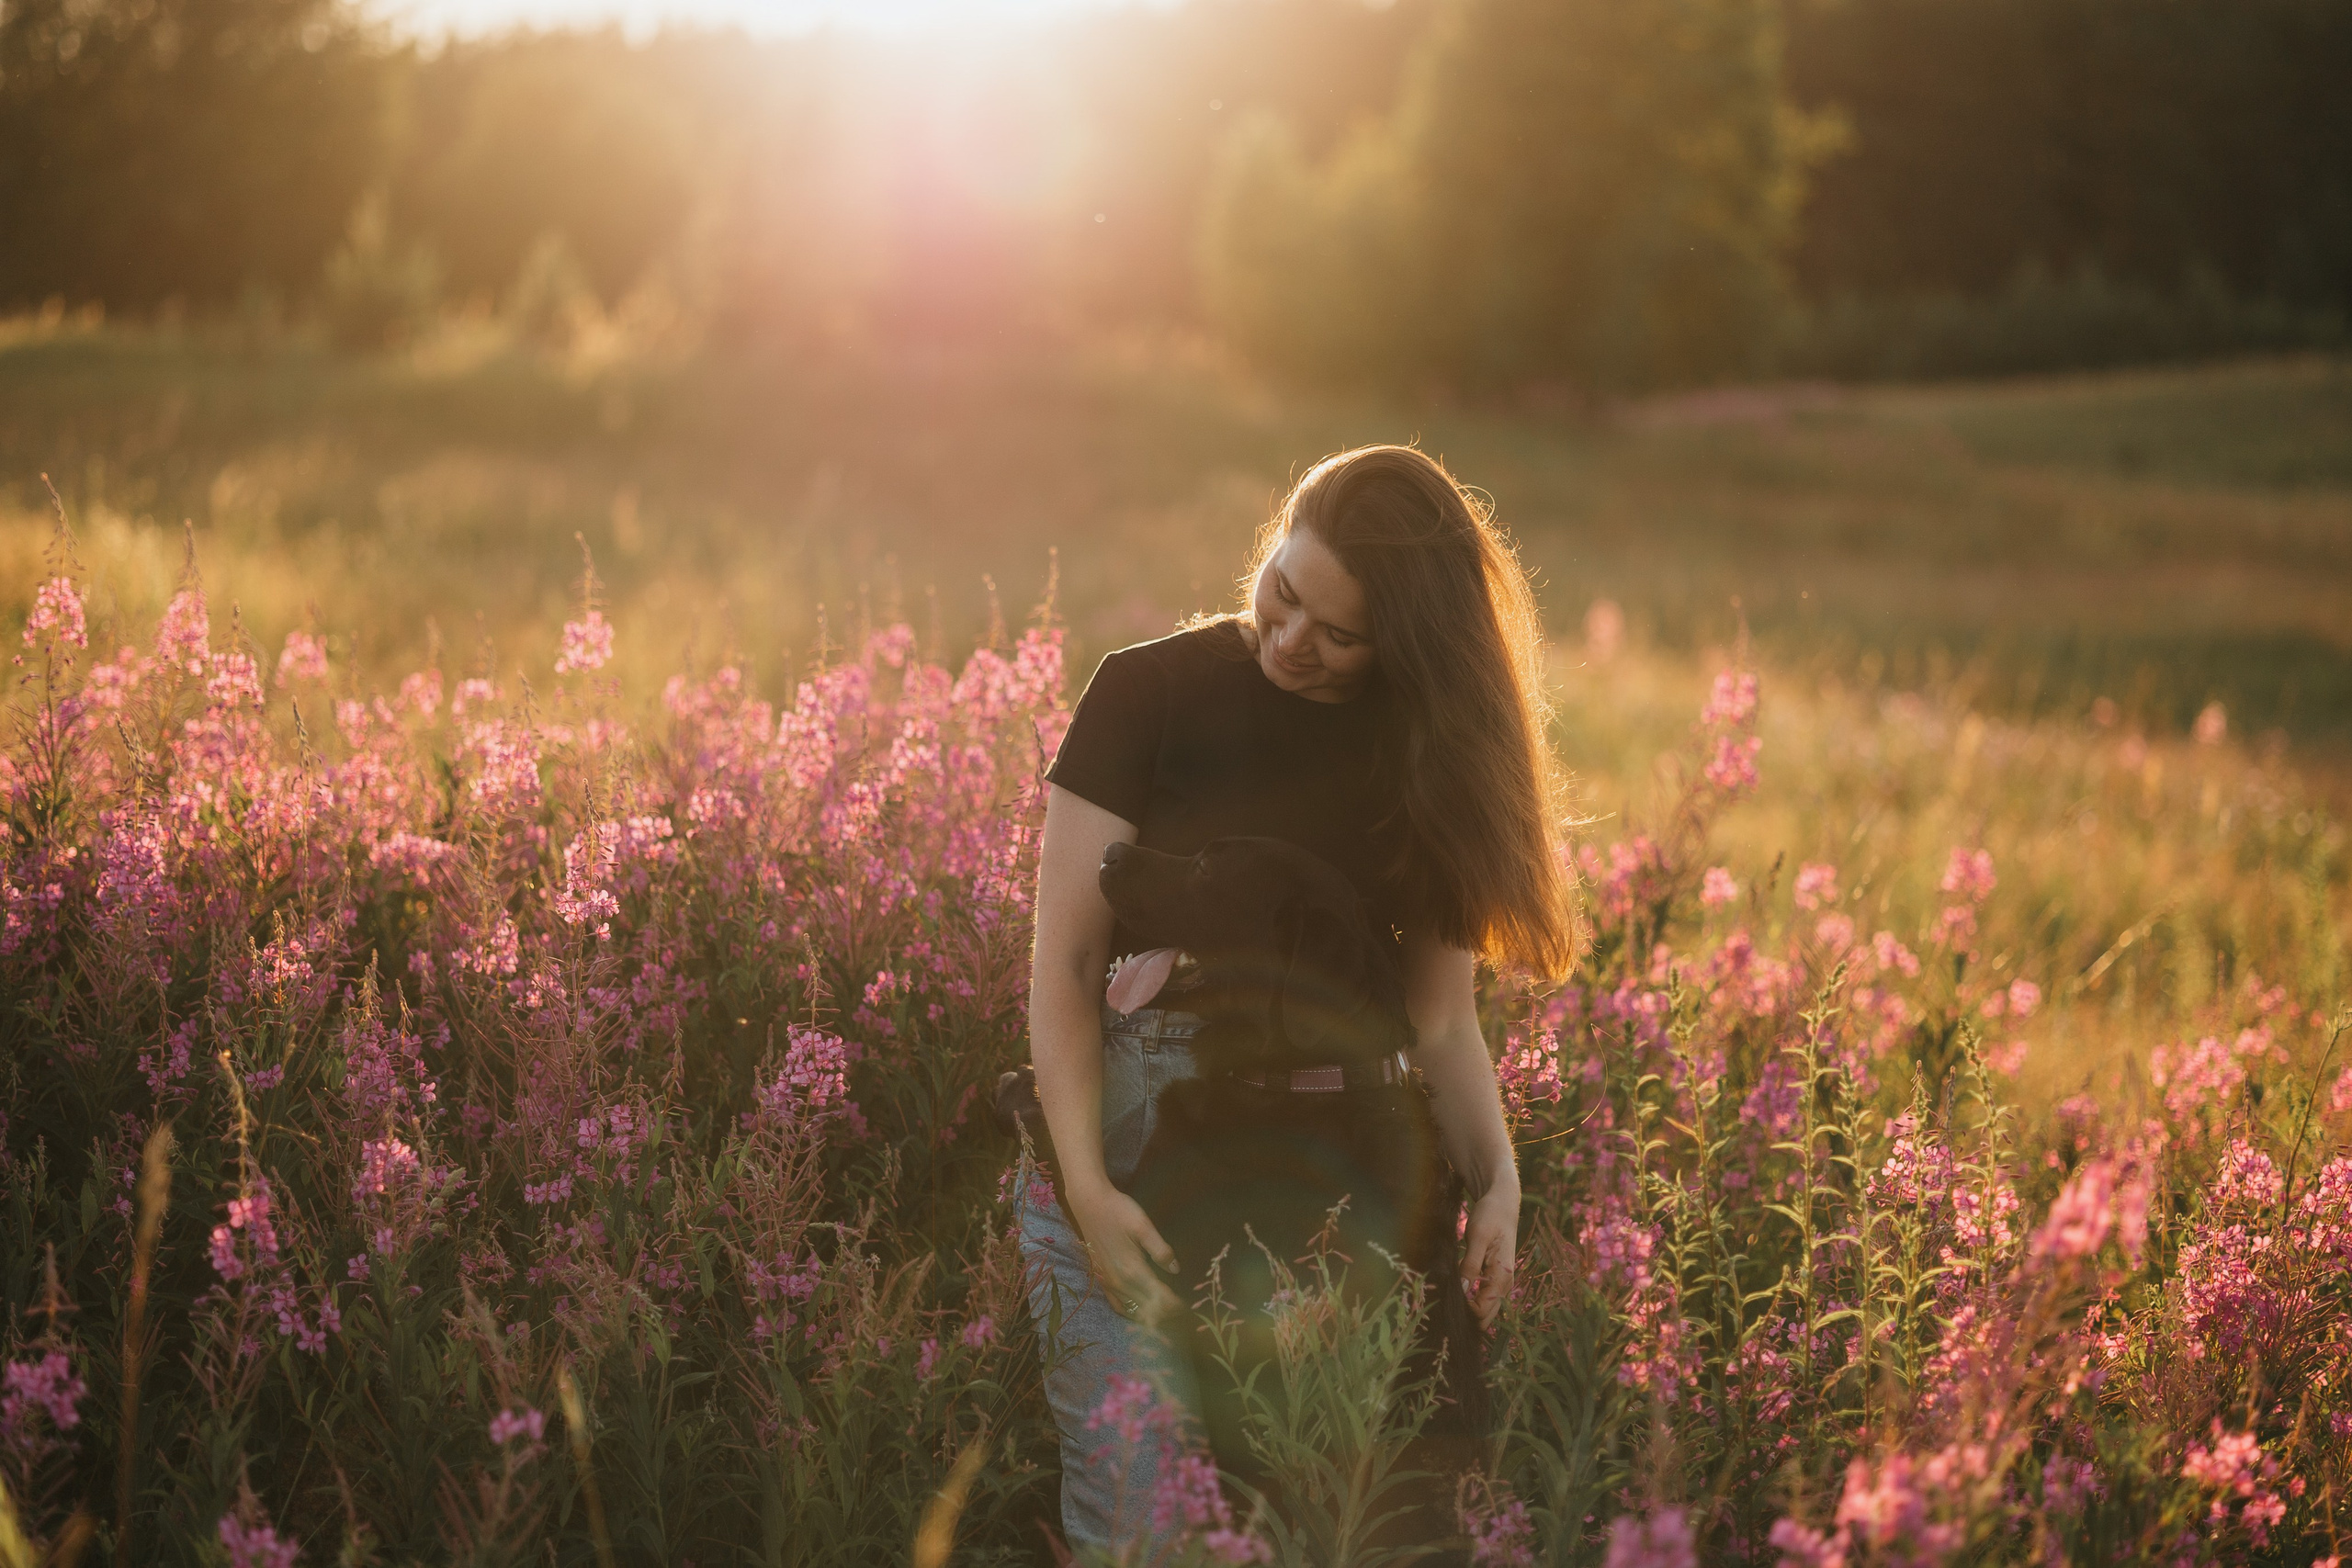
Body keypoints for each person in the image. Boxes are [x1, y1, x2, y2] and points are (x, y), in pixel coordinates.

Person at [1019, 444, 1577, 1556]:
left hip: (1329, 1183)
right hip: (1128, 1142)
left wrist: (1499, 1176)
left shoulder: (1429, 756)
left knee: (1326, 1530)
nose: (1288, 641)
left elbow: (1440, 1019)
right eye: (1282, 593)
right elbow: (1069, 971)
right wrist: (1082, 1185)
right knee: (1147, 1524)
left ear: (1407, 643)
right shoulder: (1147, 691)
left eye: (1336, 634)